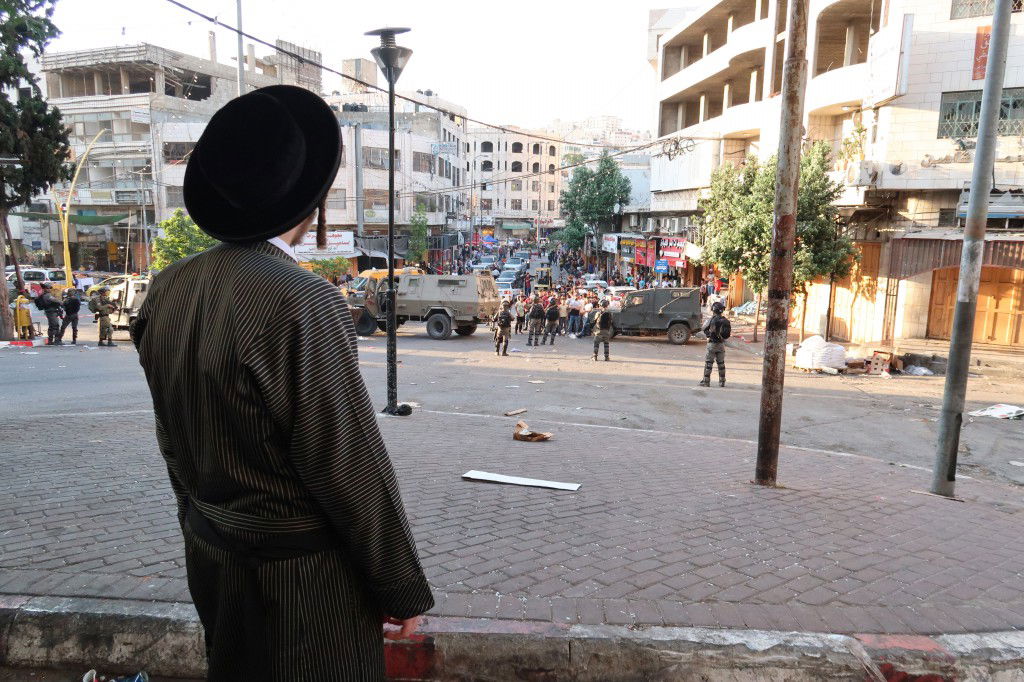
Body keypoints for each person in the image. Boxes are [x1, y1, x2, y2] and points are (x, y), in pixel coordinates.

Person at [129, 85, 433, 679]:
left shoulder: (167, 289)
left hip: (212, 556)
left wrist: (202, 525)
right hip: (304, 584)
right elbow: (348, 465)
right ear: (312, 199)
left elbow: (172, 437)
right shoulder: (303, 301)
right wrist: (401, 589)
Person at [700, 301, 731, 387]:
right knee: (721, 364)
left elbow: (704, 328)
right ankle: (722, 382)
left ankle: (706, 382)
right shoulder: (726, 321)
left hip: (712, 344)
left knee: (709, 363)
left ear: (713, 310)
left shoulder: (711, 320)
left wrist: (708, 335)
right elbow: (727, 335)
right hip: (721, 345)